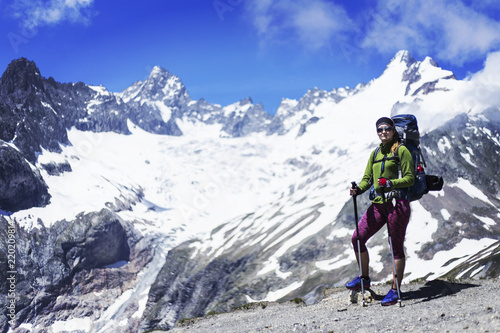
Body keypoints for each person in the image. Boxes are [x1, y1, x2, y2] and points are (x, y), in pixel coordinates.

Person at [346, 117, 415, 306]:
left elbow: (410, 179)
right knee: (357, 238)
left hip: (397, 204)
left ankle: (395, 290)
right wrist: (358, 189)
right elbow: (367, 178)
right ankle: (364, 279)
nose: (383, 132)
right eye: (380, 129)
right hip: (378, 204)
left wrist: (391, 183)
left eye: (386, 129)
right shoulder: (375, 153)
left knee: (395, 246)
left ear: (393, 131)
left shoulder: (402, 151)